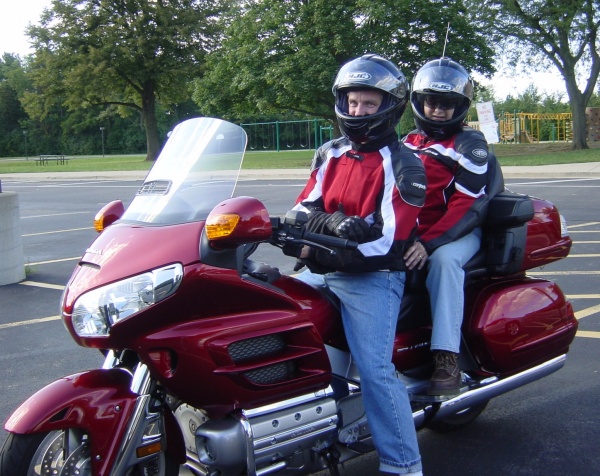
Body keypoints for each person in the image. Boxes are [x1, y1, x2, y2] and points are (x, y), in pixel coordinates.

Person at [291, 54, 426, 475]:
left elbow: (387, 241)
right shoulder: (330, 153)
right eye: (352, 102)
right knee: (276, 324)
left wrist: (318, 242)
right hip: (324, 269)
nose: (358, 110)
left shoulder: (404, 163)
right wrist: (332, 224)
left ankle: (404, 464)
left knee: (375, 370)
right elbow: (301, 211)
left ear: (389, 107)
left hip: (373, 277)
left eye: (369, 103)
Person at [402, 57, 489, 396]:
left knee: (444, 262)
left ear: (460, 107)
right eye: (432, 102)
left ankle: (446, 358)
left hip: (459, 231)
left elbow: (466, 206)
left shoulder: (469, 144)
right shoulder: (408, 142)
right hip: (413, 232)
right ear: (419, 102)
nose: (438, 110)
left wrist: (429, 243)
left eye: (447, 104)